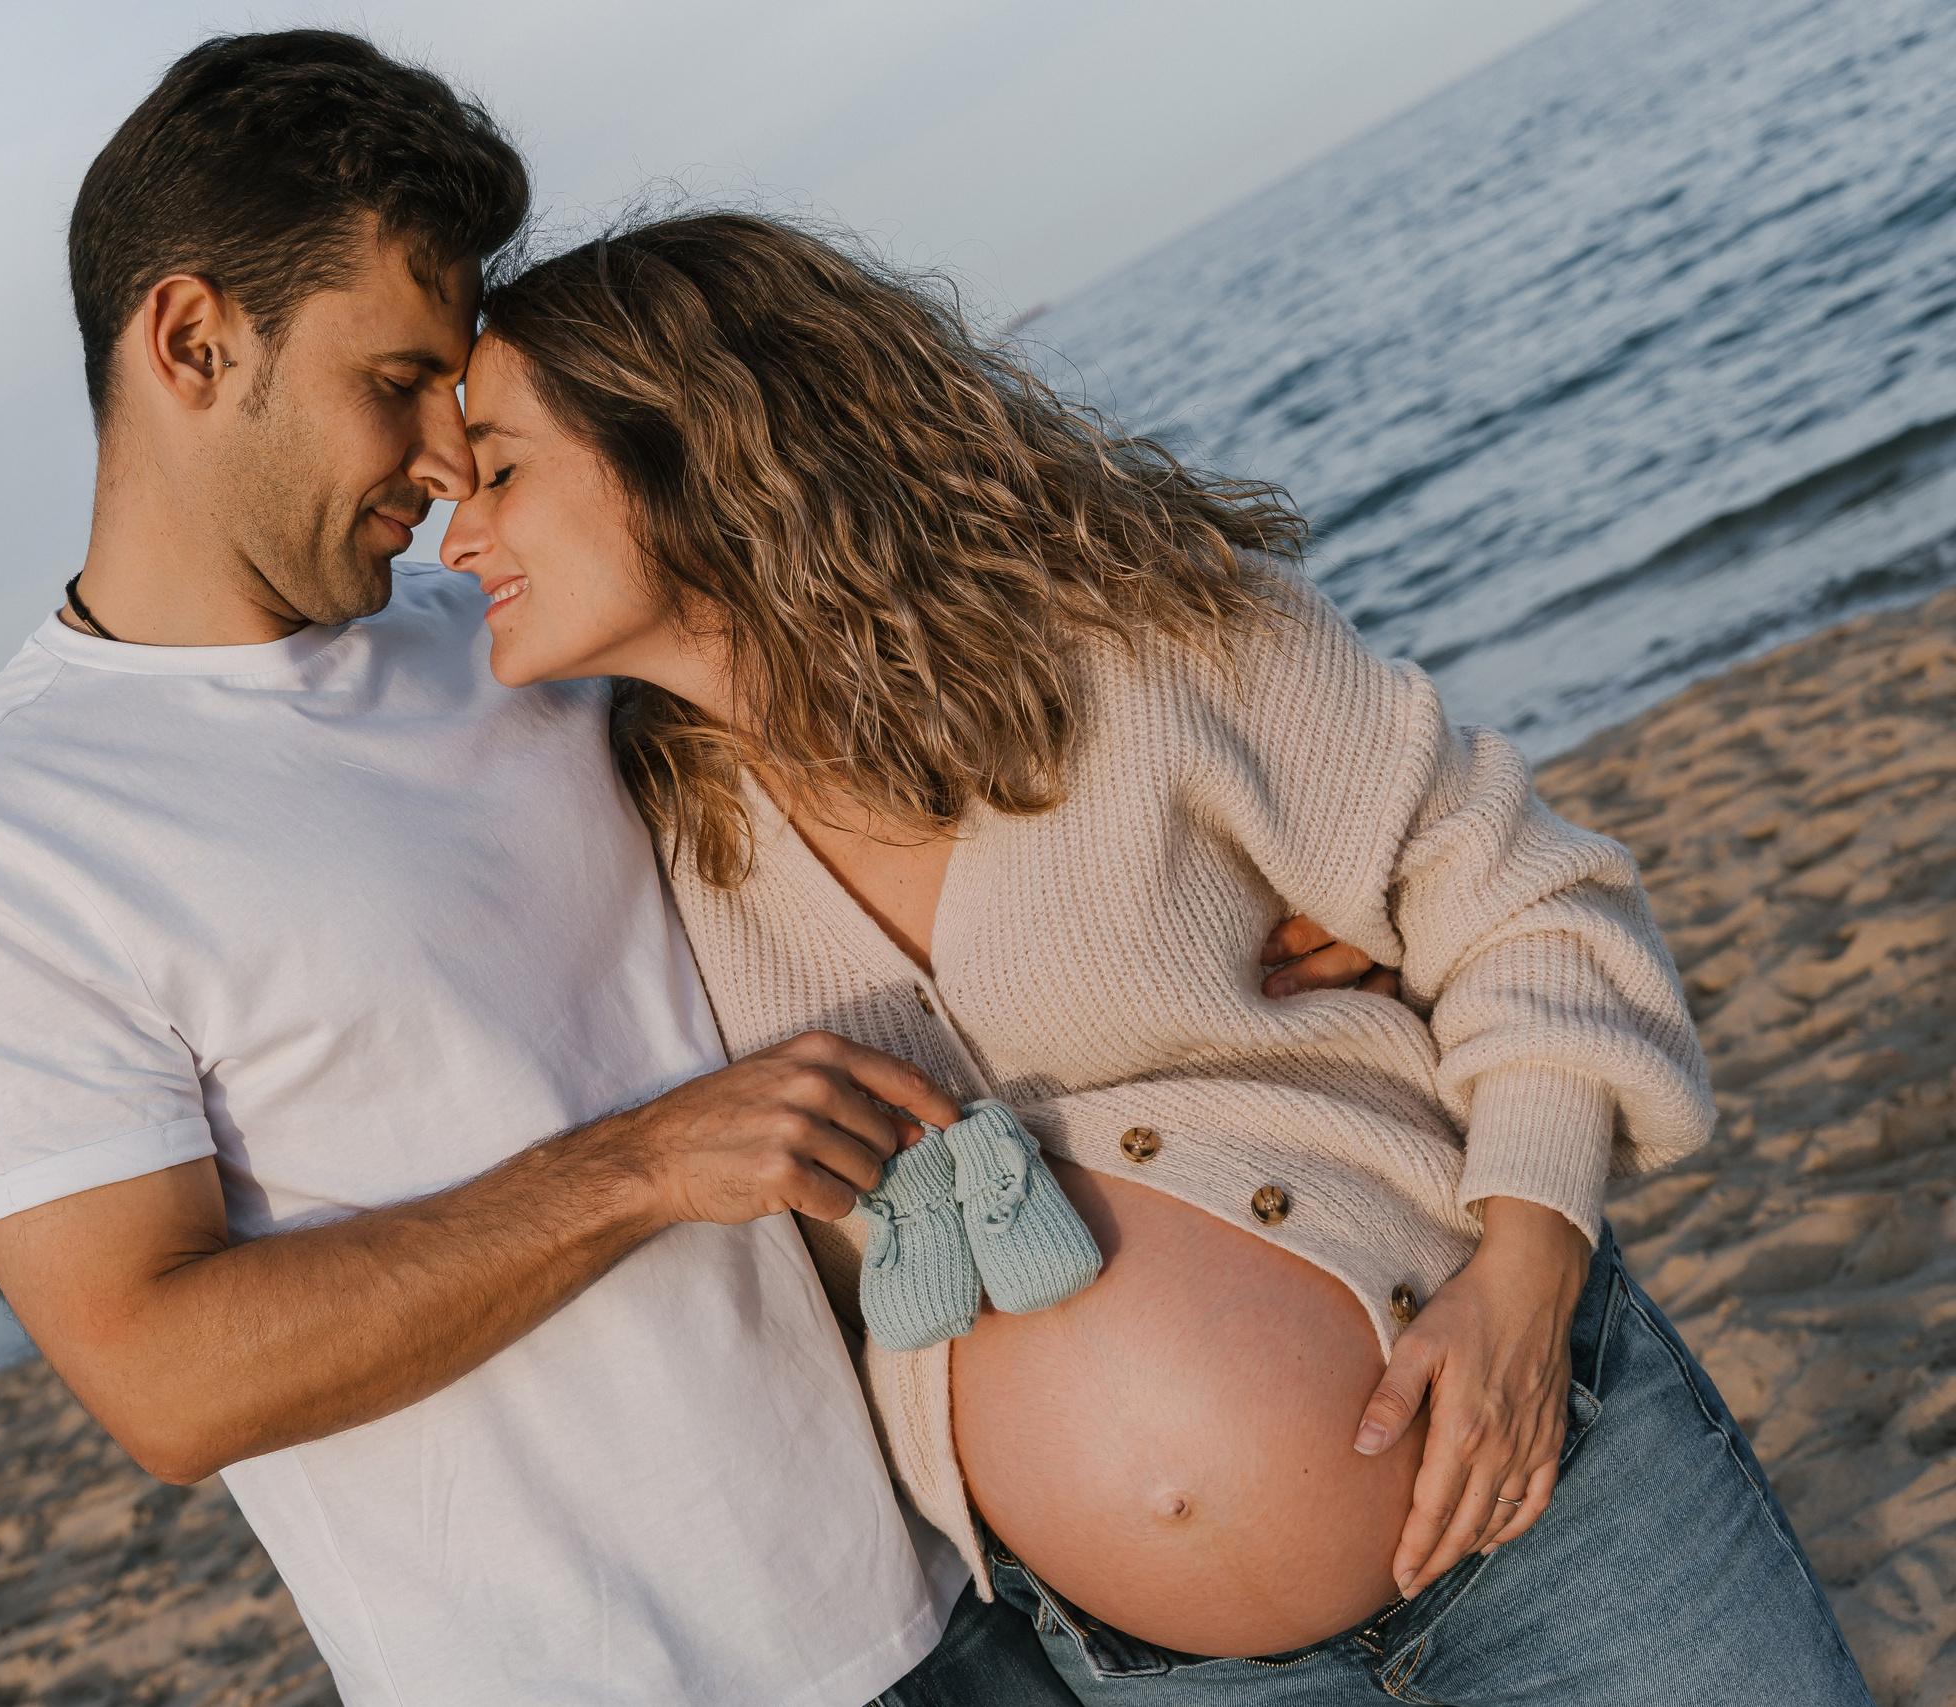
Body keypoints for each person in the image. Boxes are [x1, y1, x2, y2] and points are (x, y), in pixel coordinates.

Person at [0, 31, 1399, 1707]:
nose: (448, 467)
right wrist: (638, 1169)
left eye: (460, 405)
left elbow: (892, 798)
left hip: (963, 1597)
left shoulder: (522, 640)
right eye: (392, 385)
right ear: (190, 339)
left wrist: (1254, 886)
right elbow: (164, 1379)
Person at [440, 211, 1876, 1702]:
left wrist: (1523, 1283)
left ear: (686, 442)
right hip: (1176, 1675)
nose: (458, 534)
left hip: (1553, 1495)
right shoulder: (638, 853)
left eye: (501, 471)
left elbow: (1523, 900)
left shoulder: (1142, 643)